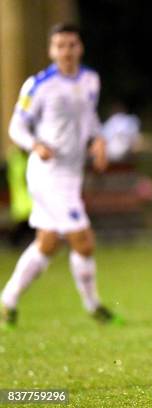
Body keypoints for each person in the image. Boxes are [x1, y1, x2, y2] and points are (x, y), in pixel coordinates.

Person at [0, 23, 120, 329]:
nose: (67, 51)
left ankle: (7, 301)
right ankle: (94, 307)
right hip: (47, 174)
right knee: (84, 240)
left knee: (48, 242)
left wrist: (99, 141)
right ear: (52, 51)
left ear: (79, 47)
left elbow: (90, 118)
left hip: (71, 173)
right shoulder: (38, 85)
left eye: (72, 45)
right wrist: (35, 144)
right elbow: (16, 127)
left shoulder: (91, 79)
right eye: (60, 46)